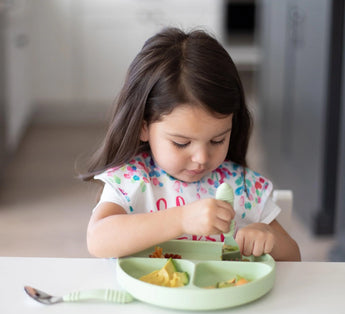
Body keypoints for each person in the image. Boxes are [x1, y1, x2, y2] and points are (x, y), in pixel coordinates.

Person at [82, 27, 301, 261]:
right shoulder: (132, 180)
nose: (202, 158)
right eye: (181, 143)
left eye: (217, 140)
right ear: (143, 126)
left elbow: (293, 257)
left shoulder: (243, 187)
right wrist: (182, 219)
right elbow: (98, 239)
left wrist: (267, 236)